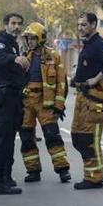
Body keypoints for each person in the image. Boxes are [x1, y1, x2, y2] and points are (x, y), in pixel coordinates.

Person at [70, 13, 103, 190]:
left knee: (88, 139)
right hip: (83, 96)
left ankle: (93, 178)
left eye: (84, 25)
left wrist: (95, 79)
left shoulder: (99, 44)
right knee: (77, 137)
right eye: (79, 25)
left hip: (95, 98)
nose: (80, 28)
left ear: (93, 25)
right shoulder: (88, 45)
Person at [19, 22, 71, 183]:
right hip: (26, 102)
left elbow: (62, 83)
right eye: (27, 38)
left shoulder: (53, 56)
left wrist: (58, 105)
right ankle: (33, 171)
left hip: (45, 102)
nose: (29, 41)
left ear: (40, 38)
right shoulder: (23, 57)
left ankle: (63, 170)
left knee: (52, 136)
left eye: (32, 38)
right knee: (27, 138)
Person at [0, 13, 30, 195]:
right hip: (3, 98)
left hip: (13, 98)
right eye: (13, 23)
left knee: (9, 139)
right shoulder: (2, 42)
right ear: (6, 24)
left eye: (19, 24)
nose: (17, 27)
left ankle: (5, 176)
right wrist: (16, 59)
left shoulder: (14, 44)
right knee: (2, 140)